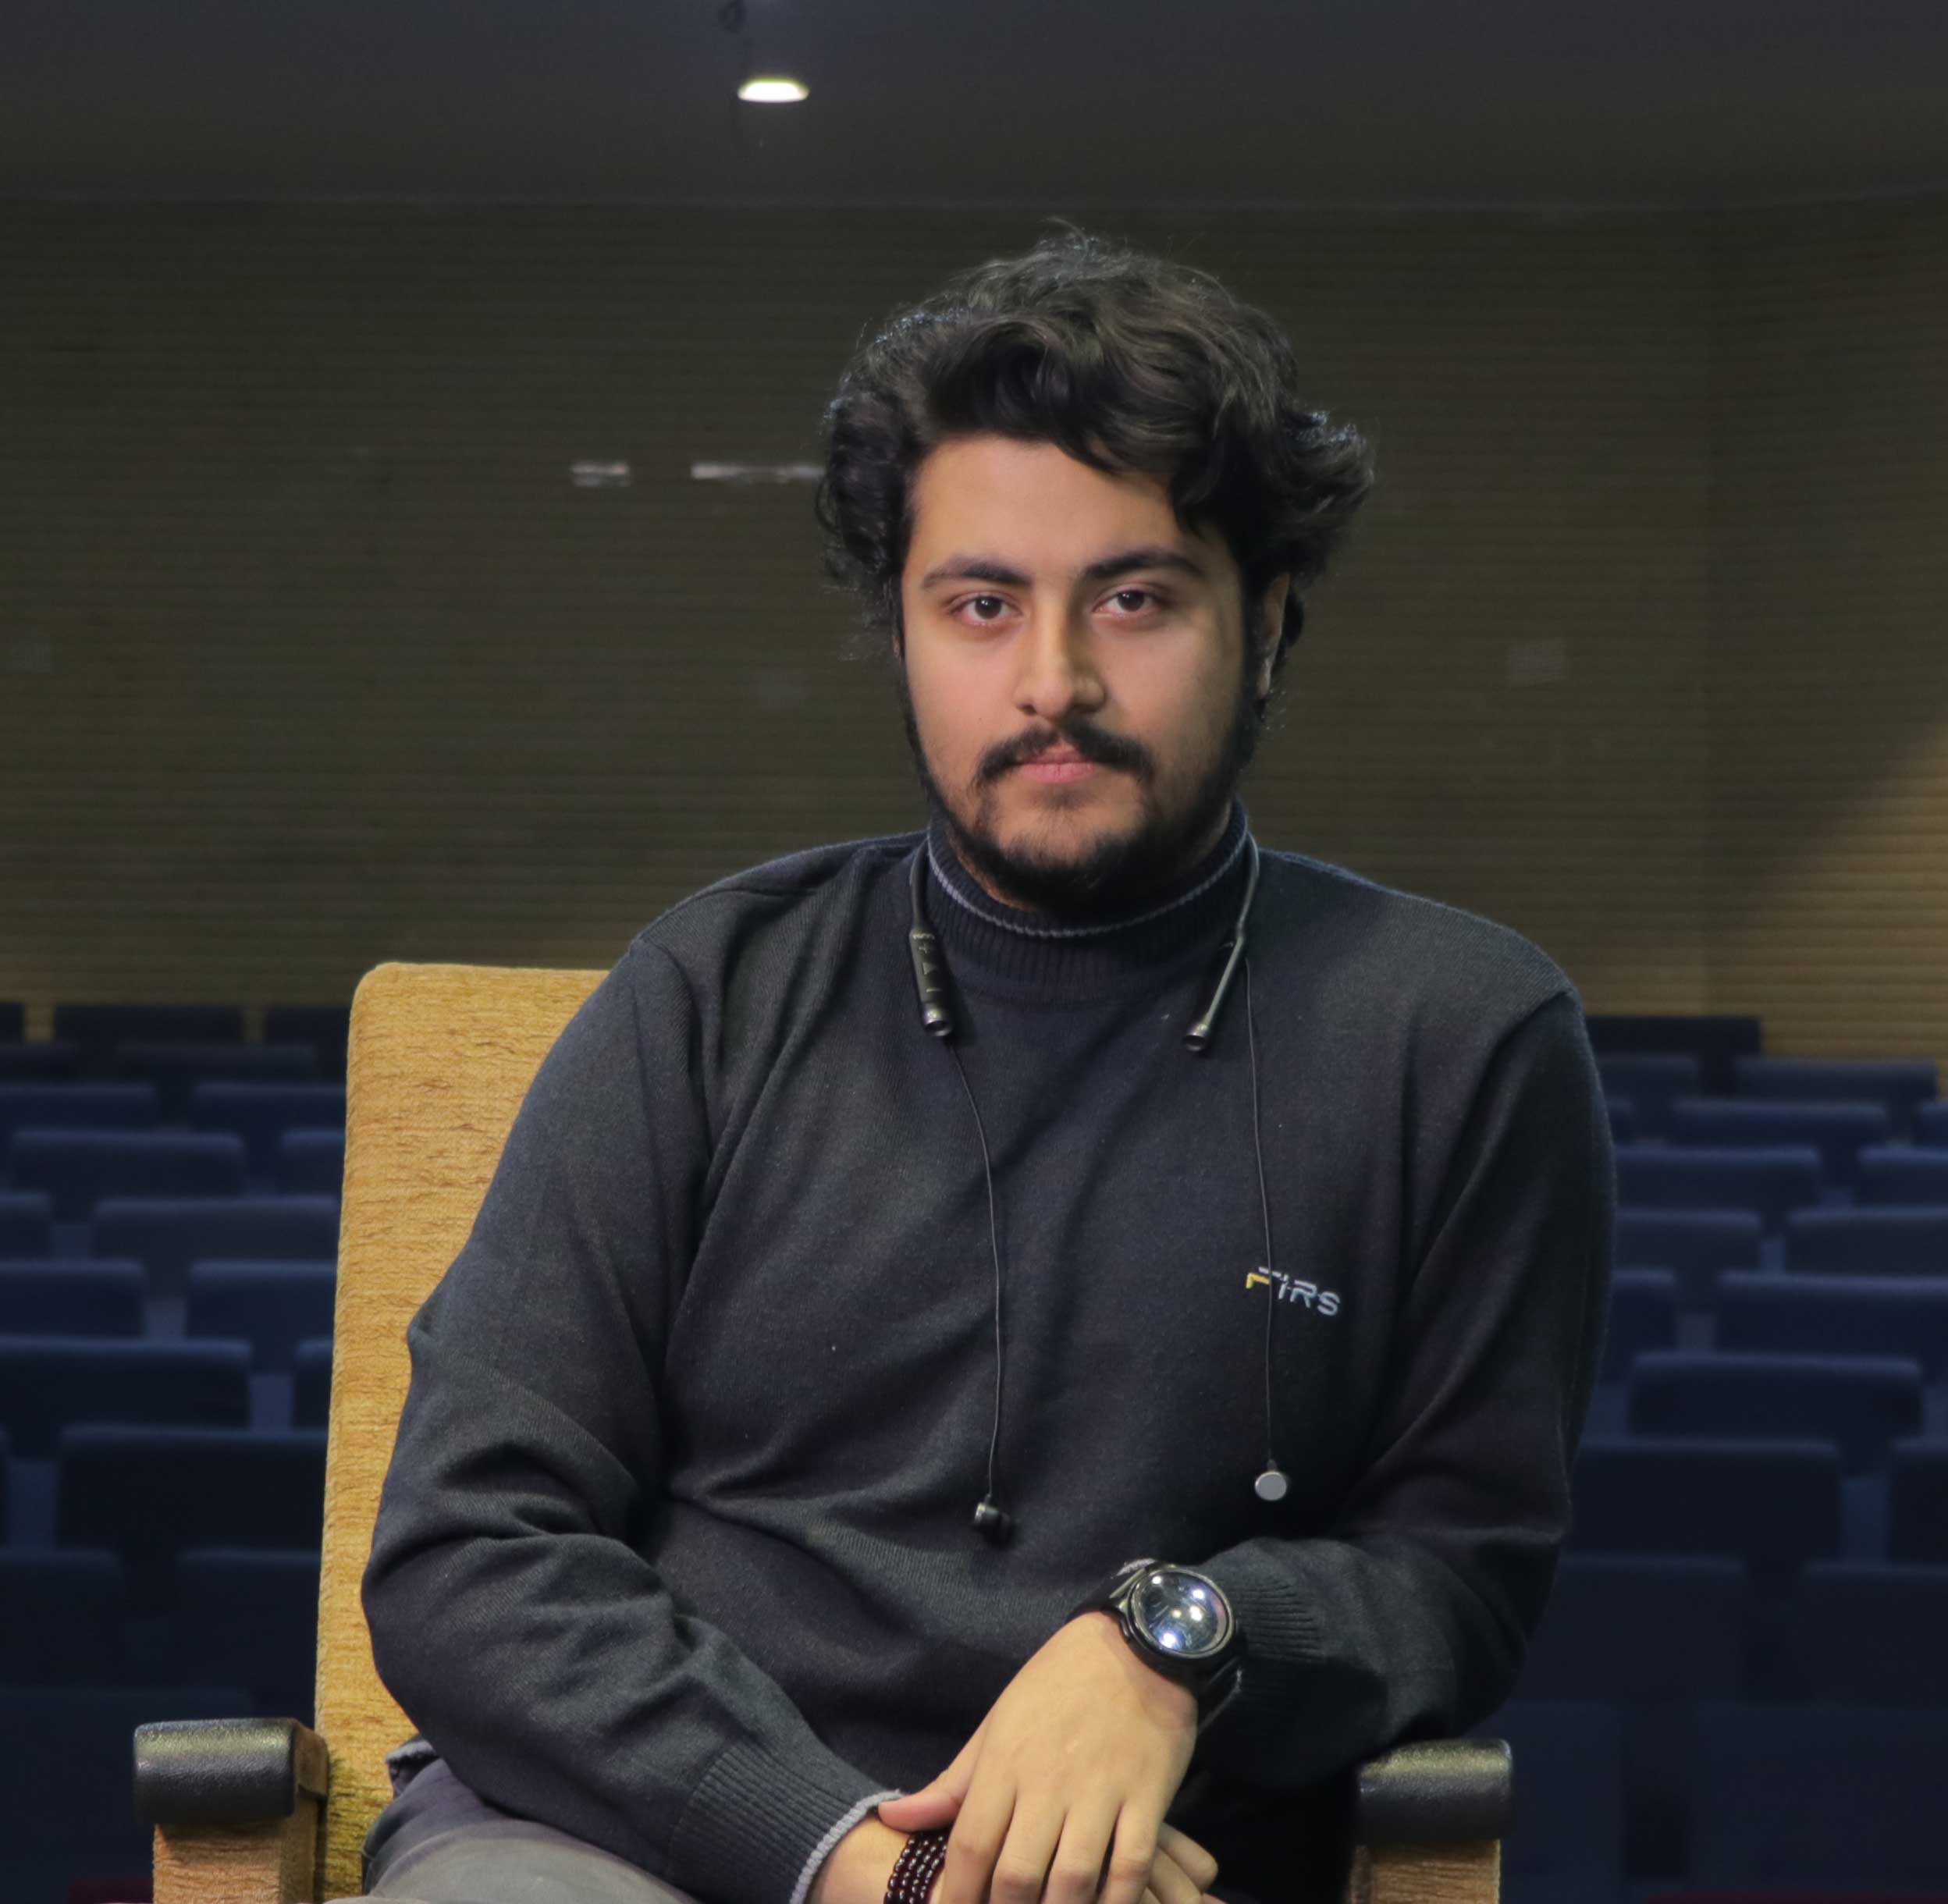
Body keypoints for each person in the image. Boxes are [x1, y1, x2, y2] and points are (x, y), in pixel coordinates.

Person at [337, 224, 1613, 1904]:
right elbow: (468, 1545)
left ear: (1267, 619)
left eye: (1136, 598)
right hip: (630, 1834)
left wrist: (1176, 1642)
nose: (1053, 681)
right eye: (982, 604)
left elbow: (1456, 1573)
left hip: (1131, 1863)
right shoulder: (709, 990)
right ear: (902, 629)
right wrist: (848, 1856)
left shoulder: (1459, 1036)